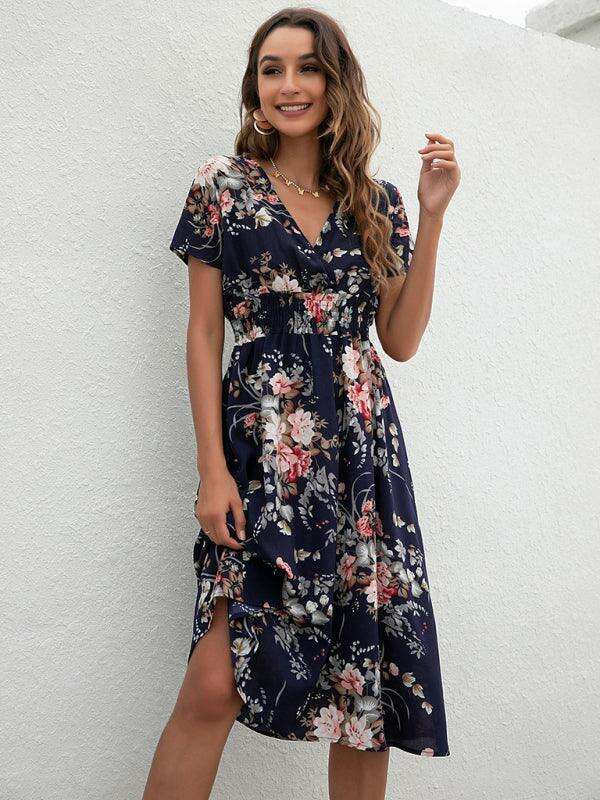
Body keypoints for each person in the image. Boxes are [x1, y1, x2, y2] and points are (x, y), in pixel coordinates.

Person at [142, 7, 460, 800]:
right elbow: (203, 333)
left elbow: (401, 339)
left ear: (334, 82)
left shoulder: (377, 202)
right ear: (254, 87)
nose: (289, 85)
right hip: (259, 459)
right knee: (213, 685)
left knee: (363, 696)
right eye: (271, 69)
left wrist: (431, 215)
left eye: (307, 67)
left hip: (360, 461)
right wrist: (212, 472)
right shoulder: (223, 186)